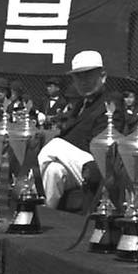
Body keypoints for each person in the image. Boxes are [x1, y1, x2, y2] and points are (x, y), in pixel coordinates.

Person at [37, 50, 109, 209]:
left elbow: (100, 146)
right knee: (53, 171)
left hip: (97, 165)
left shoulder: (109, 103)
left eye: (88, 75)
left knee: (55, 145)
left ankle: (26, 192)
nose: (83, 81)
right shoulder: (81, 104)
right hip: (75, 164)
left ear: (102, 76)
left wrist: (64, 148)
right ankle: (43, 215)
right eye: (78, 76)